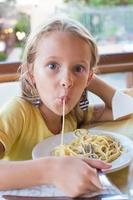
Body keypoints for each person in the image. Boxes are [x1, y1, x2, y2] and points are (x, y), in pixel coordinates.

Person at [0, 17, 117, 197]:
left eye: (77, 68)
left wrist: (87, 79)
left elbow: (126, 107)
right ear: (31, 74)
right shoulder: (18, 112)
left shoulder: (74, 115)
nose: (66, 82)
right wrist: (52, 170)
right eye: (53, 65)